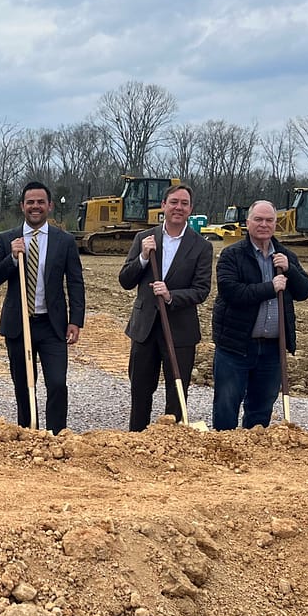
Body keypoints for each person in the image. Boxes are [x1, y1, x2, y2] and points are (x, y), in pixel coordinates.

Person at [0, 180, 85, 432]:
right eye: (30, 202)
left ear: (49, 206)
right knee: (24, 384)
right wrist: (11, 258)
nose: (35, 206)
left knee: (57, 384)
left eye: (41, 202)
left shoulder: (64, 241)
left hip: (52, 327)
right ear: (22, 206)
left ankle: (56, 434)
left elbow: (75, 282)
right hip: (19, 325)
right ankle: (29, 432)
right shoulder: (8, 239)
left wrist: (76, 320)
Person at [210, 200, 308, 430]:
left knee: (261, 408)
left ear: (276, 224)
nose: (264, 225)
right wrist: (271, 287)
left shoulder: (285, 256)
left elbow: (305, 290)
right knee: (227, 404)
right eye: (258, 219)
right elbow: (230, 291)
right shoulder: (232, 255)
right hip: (235, 345)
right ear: (248, 223)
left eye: (269, 220)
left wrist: (291, 270)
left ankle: (253, 456)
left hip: (272, 349)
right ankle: (223, 452)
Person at [118, 183, 213, 431]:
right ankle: (137, 440)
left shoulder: (201, 246)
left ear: (190, 209)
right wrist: (142, 258)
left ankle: (172, 442)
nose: (178, 207)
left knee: (177, 392)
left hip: (180, 331)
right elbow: (125, 280)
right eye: (174, 202)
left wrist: (171, 296)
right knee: (140, 390)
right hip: (145, 329)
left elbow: (202, 289)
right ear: (163, 206)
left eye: (184, 203)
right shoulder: (144, 239)